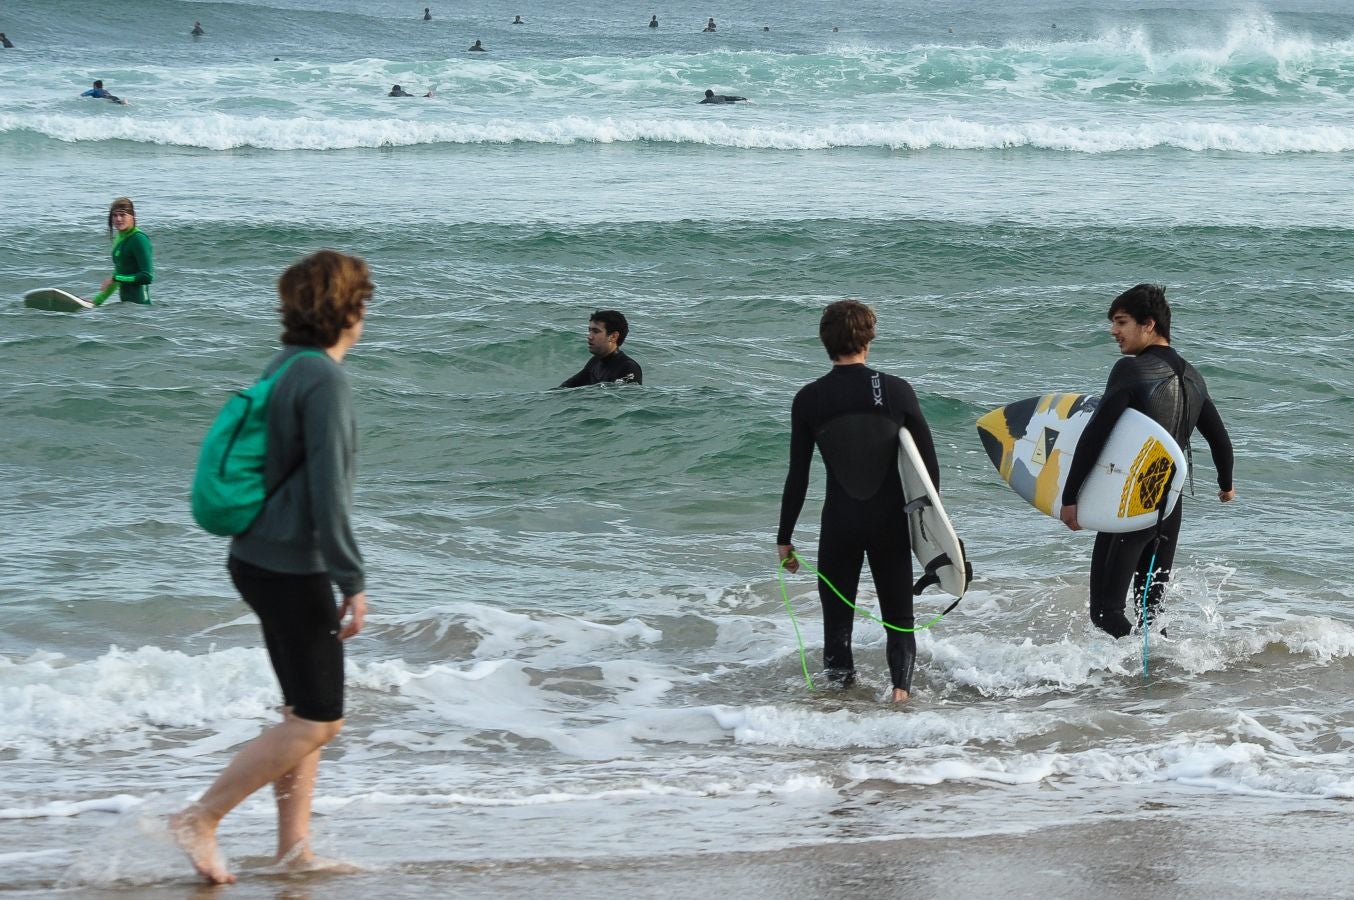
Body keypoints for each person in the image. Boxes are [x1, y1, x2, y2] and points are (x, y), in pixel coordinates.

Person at [170, 250, 372, 885]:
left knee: (300, 717)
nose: (367, 310)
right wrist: (353, 579)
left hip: (256, 556)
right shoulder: (325, 380)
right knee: (321, 720)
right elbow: (328, 495)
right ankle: (201, 817)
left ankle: (293, 851)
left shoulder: (286, 365)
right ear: (347, 308)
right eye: (362, 299)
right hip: (291, 565)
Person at [777, 300, 940, 703]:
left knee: (837, 625)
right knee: (900, 622)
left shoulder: (809, 398)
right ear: (870, 336)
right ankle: (901, 697)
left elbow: (798, 475)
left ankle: (839, 709)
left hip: (839, 524)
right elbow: (929, 472)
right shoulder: (896, 390)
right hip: (889, 522)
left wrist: (784, 537)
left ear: (824, 341)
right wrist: (933, 534)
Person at [1059, 284, 1236, 637]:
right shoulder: (1193, 377)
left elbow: (1096, 433)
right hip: (1169, 505)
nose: (1114, 331)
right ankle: (1163, 680)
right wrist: (1225, 484)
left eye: (1121, 322)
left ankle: (1142, 679)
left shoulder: (1131, 370)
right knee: (1151, 613)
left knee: (1106, 612)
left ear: (1149, 324)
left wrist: (1069, 497)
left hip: (1131, 503)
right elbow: (1220, 439)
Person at [90, 197, 153, 305]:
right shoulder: (119, 239)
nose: (118, 219)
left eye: (123, 215)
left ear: (132, 216)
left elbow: (147, 277)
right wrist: (96, 302)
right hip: (126, 308)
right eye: (115, 215)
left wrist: (116, 278)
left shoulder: (139, 239)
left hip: (142, 309)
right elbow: (117, 277)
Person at [558, 310, 643, 388]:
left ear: (613, 336)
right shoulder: (595, 362)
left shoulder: (629, 368)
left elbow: (623, 401)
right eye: (589, 331)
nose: (589, 336)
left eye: (596, 331)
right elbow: (567, 387)